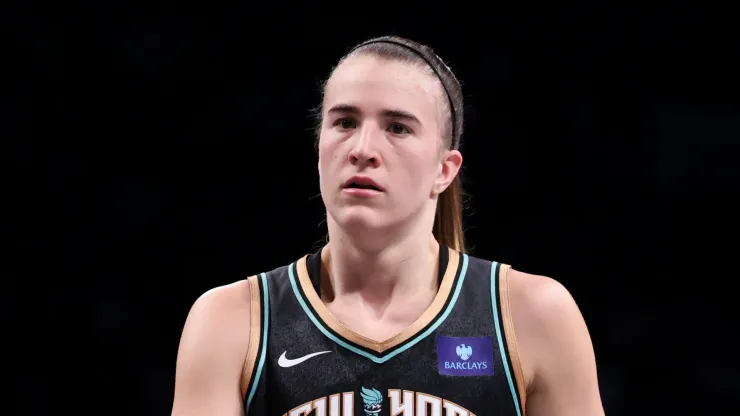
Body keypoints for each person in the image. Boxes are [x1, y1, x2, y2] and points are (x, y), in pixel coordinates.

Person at [171, 36, 604, 416]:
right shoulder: (231, 322)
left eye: (397, 127)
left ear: (445, 169)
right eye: (344, 122)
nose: (363, 148)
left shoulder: (533, 315)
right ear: (319, 149)